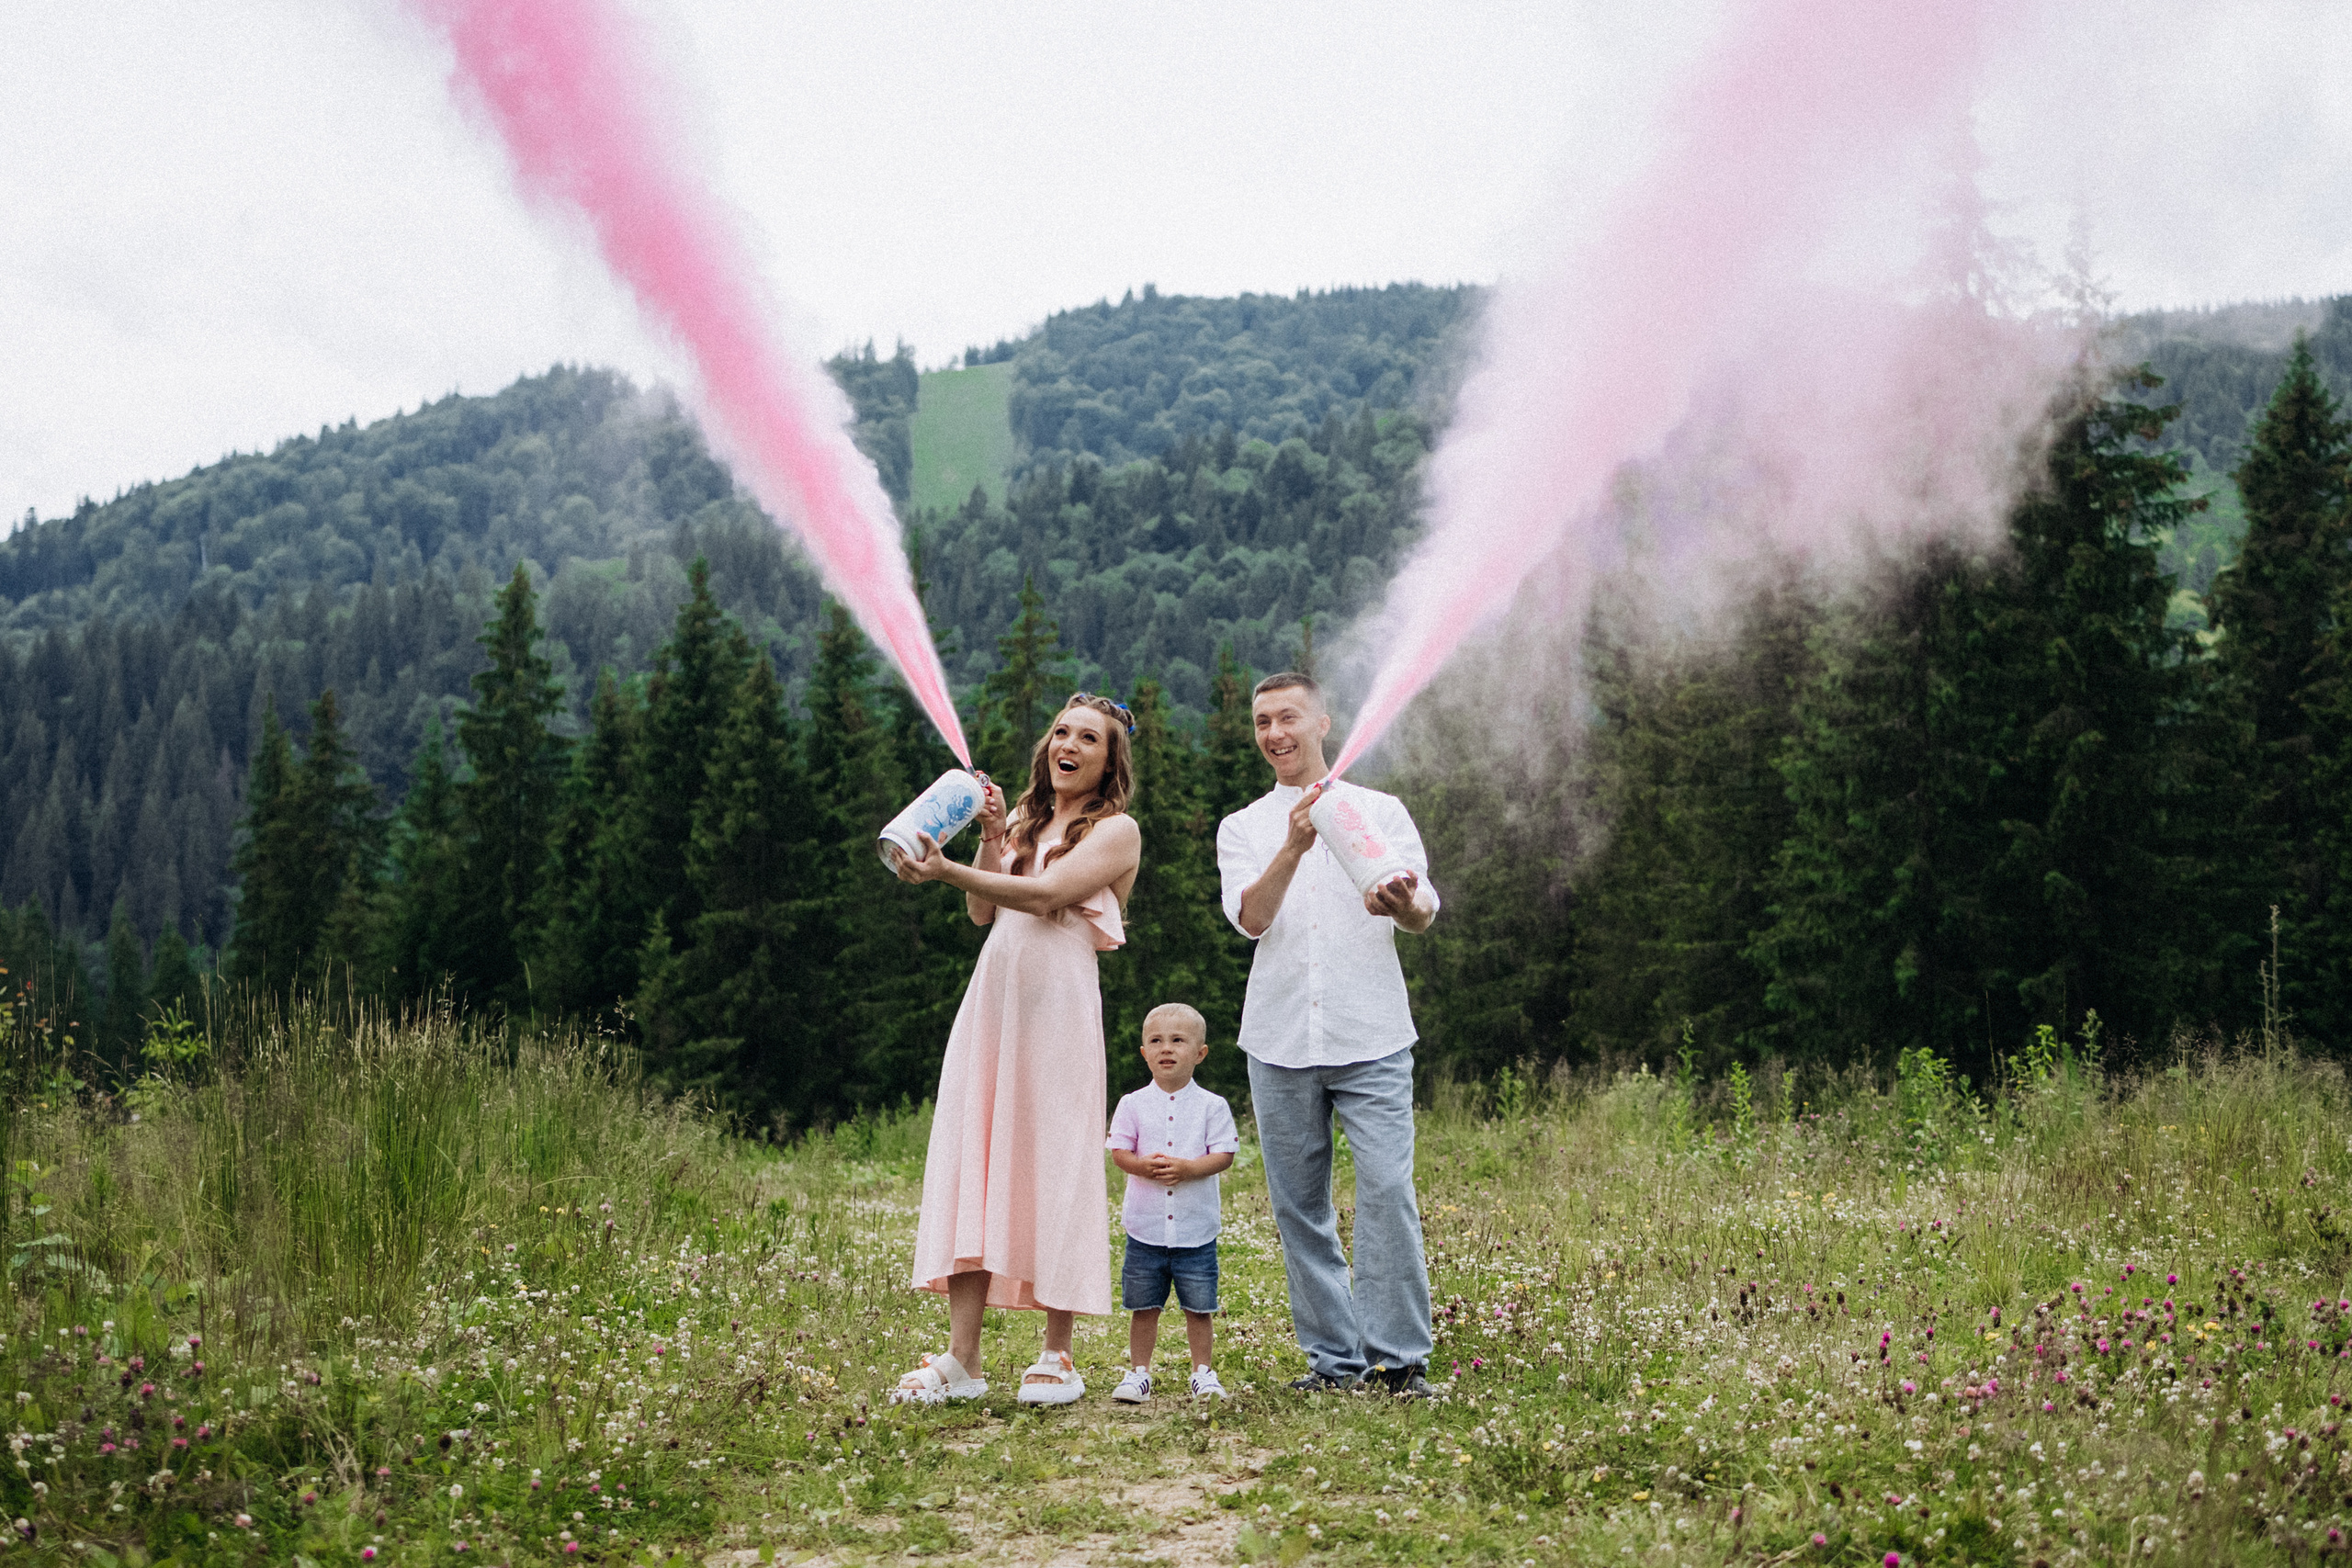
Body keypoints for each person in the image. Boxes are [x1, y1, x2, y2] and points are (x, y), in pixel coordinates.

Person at [886, 694, 1142, 1407]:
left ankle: (1057, 1352)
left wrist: (947, 872)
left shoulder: (1119, 831)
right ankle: (962, 1357)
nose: (1070, 743)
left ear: (1109, 760)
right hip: (993, 1002)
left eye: (1089, 737)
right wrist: (993, 836)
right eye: (1062, 731)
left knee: (1053, 1160)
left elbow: (1048, 894)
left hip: (1059, 1009)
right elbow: (983, 913)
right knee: (977, 1157)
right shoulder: (1030, 819)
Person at [1216, 672, 1440, 1398]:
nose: (1274, 733)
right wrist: (1292, 845)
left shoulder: (1379, 811)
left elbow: (1422, 909)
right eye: (1261, 722)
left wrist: (1399, 904)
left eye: (1287, 717)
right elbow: (1251, 919)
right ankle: (1335, 1364)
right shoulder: (1244, 826)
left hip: (1371, 1034)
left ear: (1322, 722)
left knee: (1386, 1188)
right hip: (1277, 1040)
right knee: (1299, 1208)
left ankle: (1401, 1360)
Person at [1104, 1002, 1238, 1404]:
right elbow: (1118, 1152)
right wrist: (1142, 1166)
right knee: (1144, 1305)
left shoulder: (1213, 1106)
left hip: (1195, 1230)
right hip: (1145, 1228)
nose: (1166, 1048)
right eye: (1156, 1041)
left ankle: (1203, 1373)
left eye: (1178, 1041)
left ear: (1200, 1053)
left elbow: (1225, 1154)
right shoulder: (1132, 1103)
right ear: (1144, 1052)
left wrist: (1187, 1168)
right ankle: (1139, 1373)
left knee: (1199, 1306)